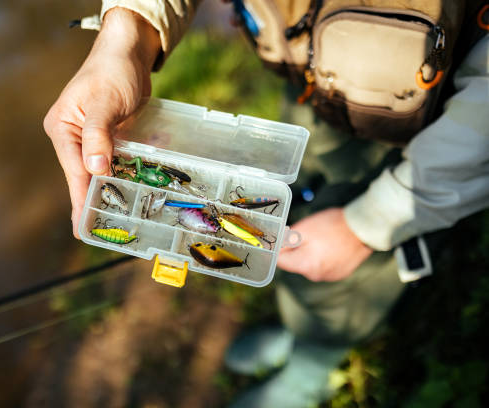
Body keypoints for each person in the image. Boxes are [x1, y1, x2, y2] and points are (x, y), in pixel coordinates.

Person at [44, 1, 489, 406]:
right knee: (296, 220)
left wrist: (368, 222)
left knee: (346, 262)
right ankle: (301, 321)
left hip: (428, 127)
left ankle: (313, 363)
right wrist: (126, 33)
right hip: (311, 79)